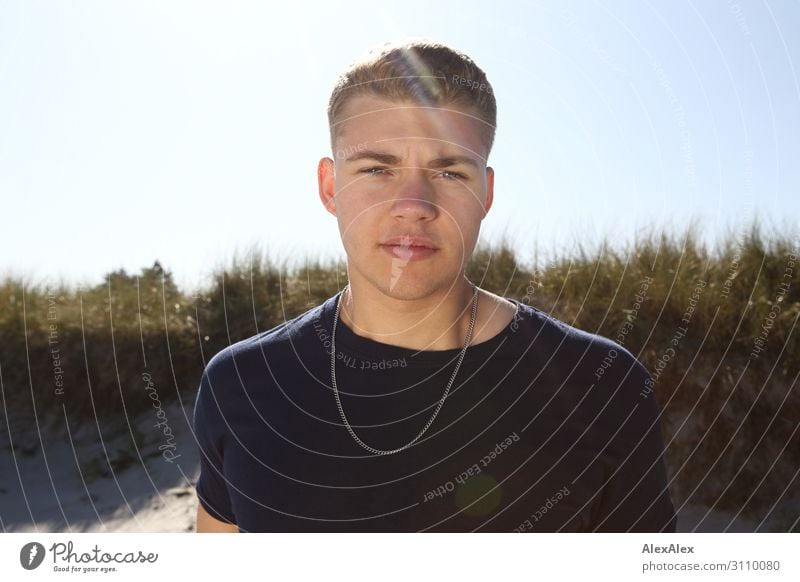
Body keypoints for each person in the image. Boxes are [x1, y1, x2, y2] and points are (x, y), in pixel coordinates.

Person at [193, 38, 677, 533]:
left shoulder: (602, 384)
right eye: (378, 169)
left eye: (448, 171)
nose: (413, 203)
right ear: (330, 186)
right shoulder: (240, 385)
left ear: (484, 194)